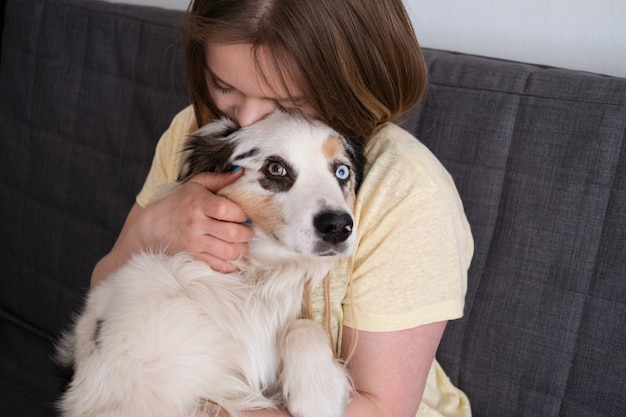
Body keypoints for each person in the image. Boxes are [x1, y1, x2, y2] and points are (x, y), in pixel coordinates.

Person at [91, 0, 474, 416]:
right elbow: (103, 293)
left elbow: (381, 408)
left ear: (351, 83)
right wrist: (150, 229)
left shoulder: (409, 193)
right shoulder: (199, 134)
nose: (250, 117)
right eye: (225, 86)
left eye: (288, 101)